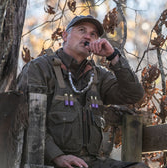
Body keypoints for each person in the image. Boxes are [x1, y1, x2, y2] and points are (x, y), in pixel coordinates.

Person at [17, 15, 149, 168]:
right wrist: (57, 156)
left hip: (91, 163)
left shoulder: (98, 75)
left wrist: (113, 56)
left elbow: (133, 94)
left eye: (93, 34)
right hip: (47, 162)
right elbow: (26, 119)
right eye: (82, 30)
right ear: (65, 36)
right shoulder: (39, 68)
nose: (88, 36)